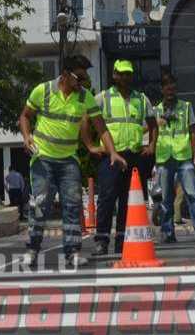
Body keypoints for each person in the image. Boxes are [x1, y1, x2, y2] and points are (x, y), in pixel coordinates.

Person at [19, 54, 126, 267]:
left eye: (85, 78)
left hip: (69, 160)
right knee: (40, 205)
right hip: (43, 159)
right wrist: (27, 136)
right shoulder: (44, 91)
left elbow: (100, 127)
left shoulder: (84, 96)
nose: (83, 83)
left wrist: (112, 151)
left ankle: (73, 252)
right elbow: (25, 116)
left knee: (72, 206)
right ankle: (32, 249)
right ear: (65, 75)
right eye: (80, 78)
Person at [92, 59, 158, 256]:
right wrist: (91, 146)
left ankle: (122, 240)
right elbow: (87, 122)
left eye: (128, 73)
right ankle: (102, 240)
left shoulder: (141, 99)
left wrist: (152, 145)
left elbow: (153, 124)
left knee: (127, 201)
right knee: (106, 198)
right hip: (111, 156)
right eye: (121, 73)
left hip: (134, 156)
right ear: (114, 75)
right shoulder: (102, 98)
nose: (125, 77)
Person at [155, 71, 195, 244]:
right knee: (166, 198)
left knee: (192, 194)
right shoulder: (156, 111)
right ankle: (167, 232)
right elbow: (150, 133)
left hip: (184, 157)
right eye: (167, 87)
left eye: (173, 88)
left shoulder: (186, 107)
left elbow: (193, 131)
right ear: (162, 89)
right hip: (164, 158)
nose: (170, 91)